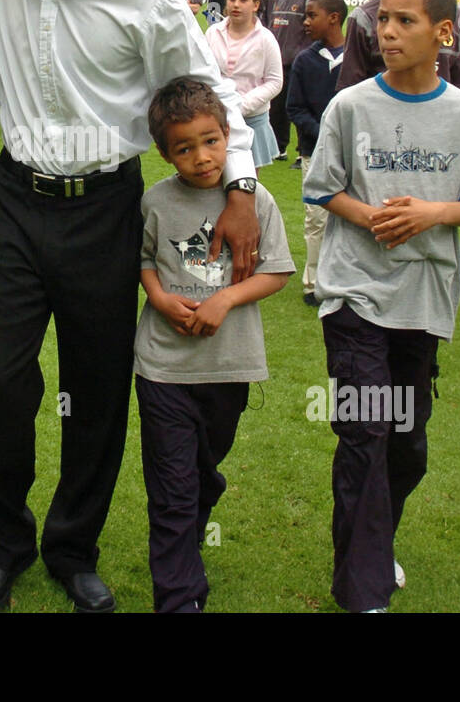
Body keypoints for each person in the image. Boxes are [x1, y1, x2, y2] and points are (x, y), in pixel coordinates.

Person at [0, 0, 261, 614]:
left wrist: (240, 186)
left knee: (95, 391)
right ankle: (1, 549)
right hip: (13, 201)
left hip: (106, 211)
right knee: (3, 383)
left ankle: (73, 550)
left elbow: (206, 94)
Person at [302, 0, 460, 612]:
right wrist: (370, 217)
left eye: (404, 21)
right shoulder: (351, 104)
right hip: (355, 293)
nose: (386, 31)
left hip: (424, 300)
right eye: (381, 19)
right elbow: (320, 187)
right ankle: (363, 591)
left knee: (406, 445)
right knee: (364, 433)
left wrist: (431, 214)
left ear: (444, 33)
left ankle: (376, 536)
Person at [136, 77, 292, 612]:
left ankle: (205, 494)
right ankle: (179, 597)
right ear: (164, 152)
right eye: (184, 148)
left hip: (229, 366)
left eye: (210, 141)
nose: (201, 158)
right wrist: (158, 297)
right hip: (161, 368)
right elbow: (145, 260)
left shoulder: (255, 200)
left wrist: (226, 300)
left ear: (228, 136)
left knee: (202, 470)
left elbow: (276, 273)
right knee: (171, 486)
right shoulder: (154, 200)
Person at [286, 0, 347, 306]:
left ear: (333, 18)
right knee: (317, 218)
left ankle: (347, 280)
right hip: (314, 151)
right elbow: (294, 108)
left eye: (312, 15)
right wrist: (326, 134)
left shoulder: (357, 59)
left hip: (354, 155)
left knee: (352, 217)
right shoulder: (305, 60)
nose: (306, 22)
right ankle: (314, 283)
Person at [205, 0, 283, 168]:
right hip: (217, 117)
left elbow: (274, 81)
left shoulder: (266, 38)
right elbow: (205, 72)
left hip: (252, 119)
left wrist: (242, 106)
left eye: (243, 0)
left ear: (255, 4)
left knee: (246, 183)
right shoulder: (213, 33)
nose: (236, 5)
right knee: (213, 178)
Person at [263, 0, 317, 167]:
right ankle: (279, 148)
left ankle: (302, 151)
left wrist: (303, 55)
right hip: (279, 60)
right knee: (277, 107)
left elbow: (312, 31)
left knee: (299, 106)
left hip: (298, 61)